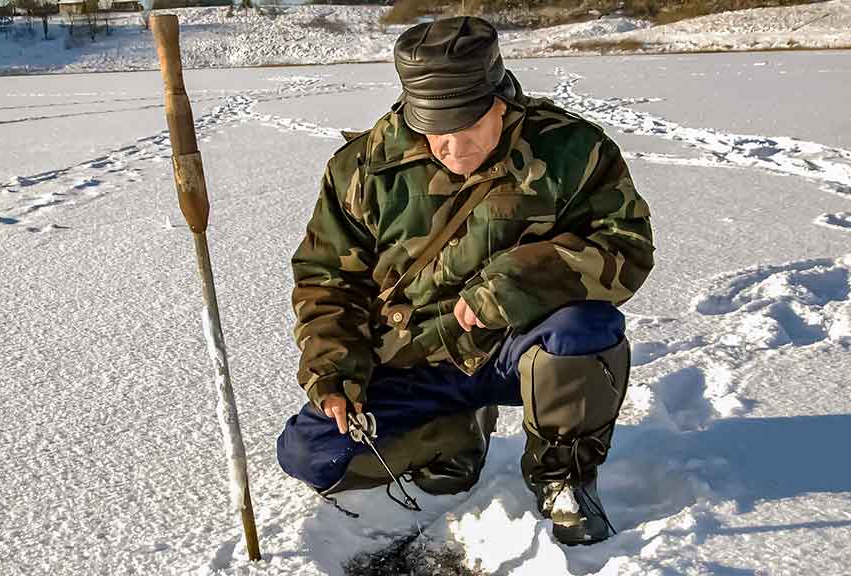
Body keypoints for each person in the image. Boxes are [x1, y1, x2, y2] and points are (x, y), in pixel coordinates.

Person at [277, 16, 655, 546]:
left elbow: (626, 246)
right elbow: (326, 282)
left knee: (585, 329)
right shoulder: (361, 168)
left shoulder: (571, 150)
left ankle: (563, 477)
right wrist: (334, 372)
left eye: (464, 129)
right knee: (311, 453)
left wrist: (514, 285)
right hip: (415, 362)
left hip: (516, 352)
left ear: (500, 101)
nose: (450, 150)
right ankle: (455, 437)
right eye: (434, 133)